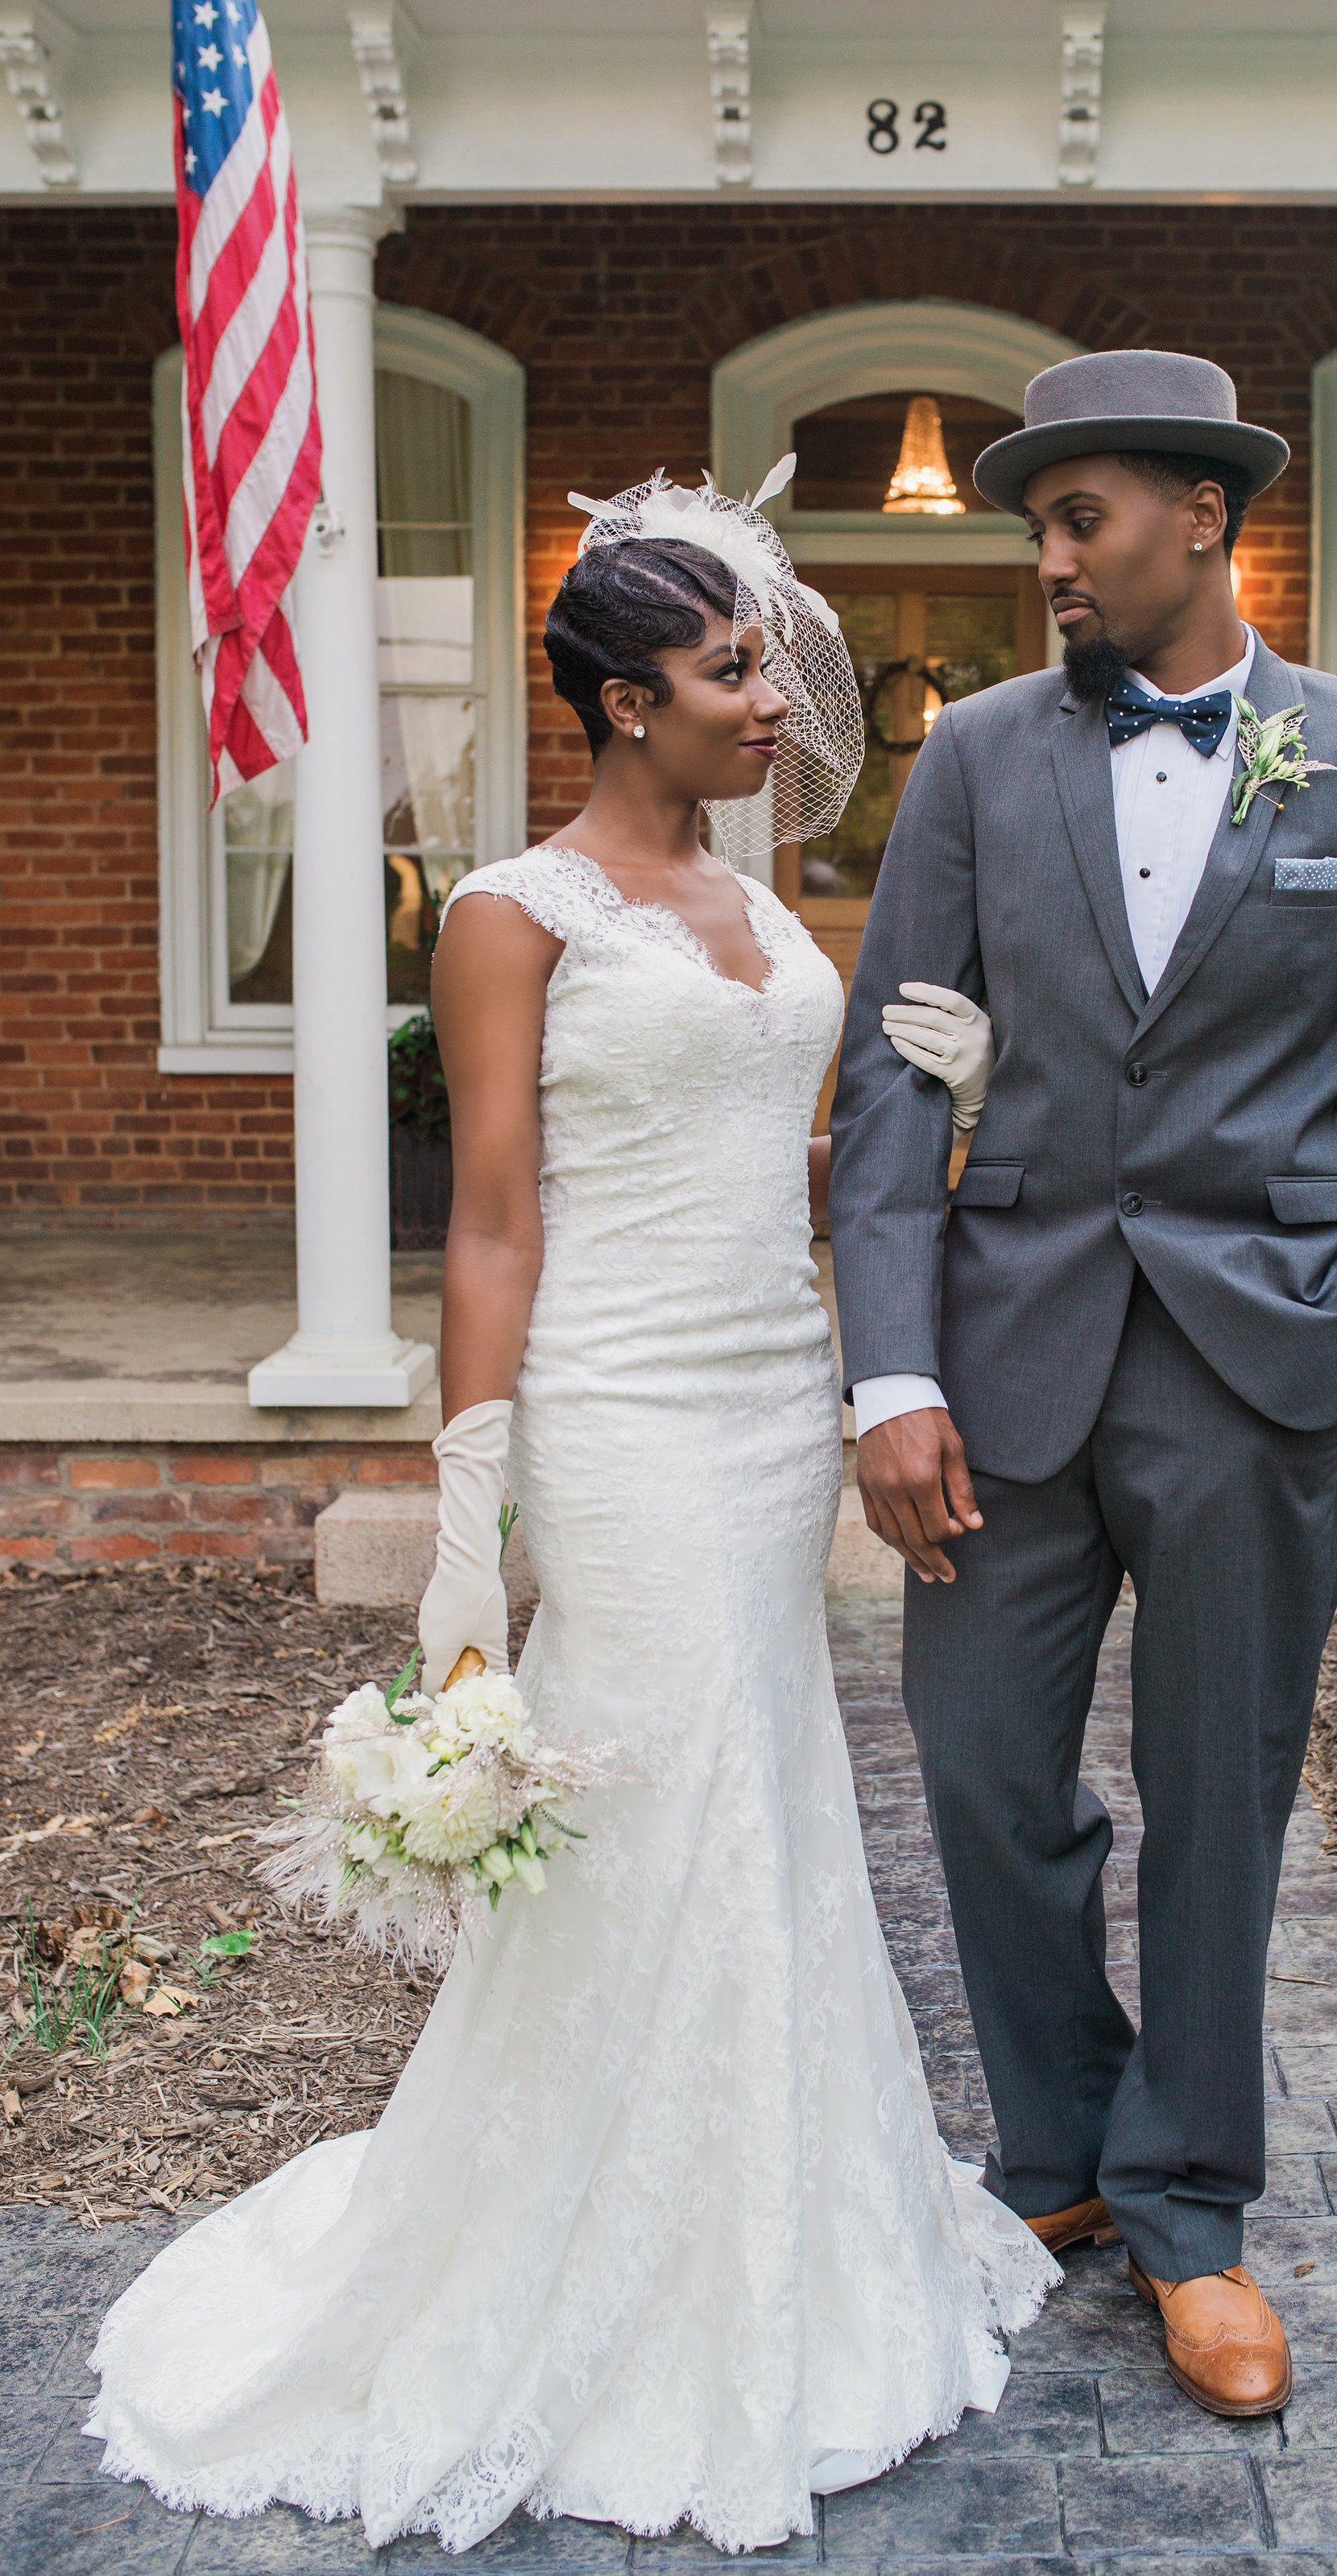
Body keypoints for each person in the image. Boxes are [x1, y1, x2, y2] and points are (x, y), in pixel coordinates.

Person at [86, 473, 1053, 2558]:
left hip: (765, 1395)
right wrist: (468, 1510)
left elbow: (771, 1143)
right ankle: (588, 2265)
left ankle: (770, 2220)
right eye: (729, 672)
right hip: (615, 1421)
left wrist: (937, 1092)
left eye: (767, 664)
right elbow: (499, 1212)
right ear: (622, 700)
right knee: (649, 1800)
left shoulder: (758, 890)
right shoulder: (514, 911)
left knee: (770, 1792)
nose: (775, 699)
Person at [829, 349, 1337, 2422]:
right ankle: (1065, 2151)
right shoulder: (971, 761)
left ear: (1202, 519)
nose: (1047, 560)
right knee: (979, 1769)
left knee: (1225, 1808)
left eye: (1080, 518)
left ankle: (1190, 2209)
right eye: (1039, 525)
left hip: (1255, 1372)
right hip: (1005, 1357)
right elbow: (887, 1073)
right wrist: (888, 1371)